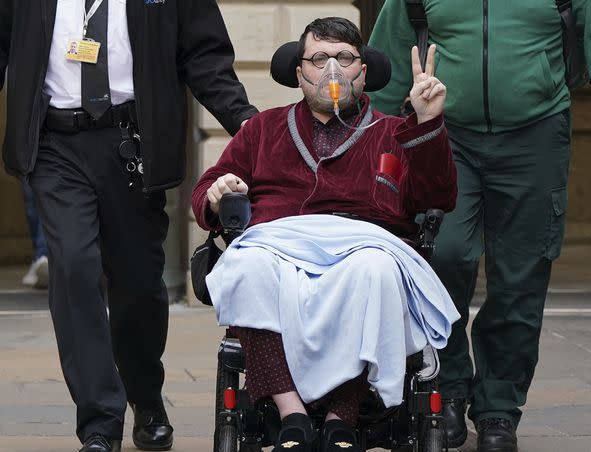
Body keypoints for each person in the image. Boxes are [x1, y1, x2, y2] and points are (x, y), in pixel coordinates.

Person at [369, 2, 591, 451]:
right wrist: (372, 135)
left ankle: (499, 408)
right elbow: (392, 48)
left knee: (520, 276)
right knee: (443, 255)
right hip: (443, 132)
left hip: (536, 134)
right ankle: (448, 390)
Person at [192, 17, 459, 452]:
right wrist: (219, 193)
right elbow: (206, 190)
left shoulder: (394, 132)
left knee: (372, 268)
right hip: (278, 246)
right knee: (244, 264)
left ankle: (343, 415)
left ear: (363, 70)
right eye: (319, 58)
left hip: (364, 247)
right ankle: (291, 412)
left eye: (345, 58)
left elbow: (438, 196)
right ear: (299, 73)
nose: (332, 69)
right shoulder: (263, 130)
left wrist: (428, 124)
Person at [0, 1, 258, 451]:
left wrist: (247, 124)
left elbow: (204, 55)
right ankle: (100, 423)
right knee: (74, 266)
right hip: (55, 144)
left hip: (132, 143)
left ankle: (145, 394)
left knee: (139, 283)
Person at [19, 179, 48, 289]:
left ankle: (42, 255)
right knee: (30, 201)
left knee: (45, 199)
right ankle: (39, 258)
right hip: (29, 164)